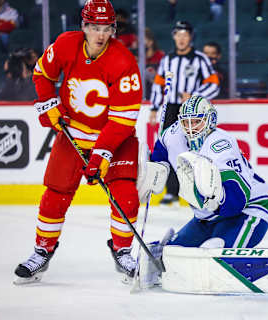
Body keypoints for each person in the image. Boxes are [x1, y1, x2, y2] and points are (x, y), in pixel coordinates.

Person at [14, 0, 142, 284]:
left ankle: (122, 251)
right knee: (55, 196)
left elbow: (123, 121)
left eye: (106, 28)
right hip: (72, 136)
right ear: (83, 26)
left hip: (115, 140)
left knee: (125, 197)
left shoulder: (124, 63)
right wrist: (48, 105)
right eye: (94, 27)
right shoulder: (65, 44)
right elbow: (42, 74)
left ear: (114, 29)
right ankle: (42, 251)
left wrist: (101, 155)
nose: (100, 34)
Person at [146, 95, 268, 295]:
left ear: (210, 120)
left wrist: (214, 202)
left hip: (248, 211)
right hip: (207, 217)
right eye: (186, 122)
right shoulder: (173, 135)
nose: (190, 128)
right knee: (171, 253)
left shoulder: (220, 144)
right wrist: (154, 172)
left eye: (196, 121)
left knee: (215, 254)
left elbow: (237, 199)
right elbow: (161, 151)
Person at [149, 20, 219, 207]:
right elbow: (158, 85)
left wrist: (195, 96)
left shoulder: (200, 59)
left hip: (192, 111)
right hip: (171, 109)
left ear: (190, 37)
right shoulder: (167, 60)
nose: (181, 38)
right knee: (172, 149)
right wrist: (155, 108)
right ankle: (172, 192)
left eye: (185, 34)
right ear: (174, 37)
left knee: (195, 150)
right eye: (178, 34)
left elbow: (213, 83)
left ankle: (198, 190)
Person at [144, 28, 165, 99]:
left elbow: (165, 79)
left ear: (151, 42)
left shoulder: (160, 56)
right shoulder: (138, 58)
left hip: (156, 95)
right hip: (142, 96)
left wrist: (154, 77)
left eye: (144, 40)